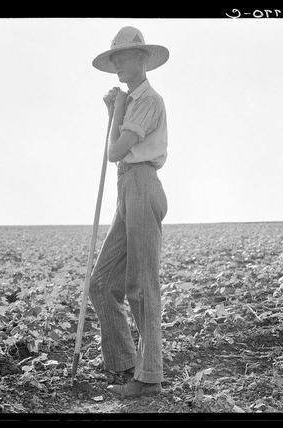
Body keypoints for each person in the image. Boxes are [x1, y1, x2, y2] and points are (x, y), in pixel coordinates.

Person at [88, 26, 169, 397]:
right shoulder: (132, 102)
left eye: (124, 57)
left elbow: (115, 152)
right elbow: (118, 152)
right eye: (114, 58)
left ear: (141, 59)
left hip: (141, 184)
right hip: (127, 186)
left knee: (141, 285)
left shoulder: (149, 100)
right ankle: (125, 366)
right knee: (102, 284)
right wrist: (115, 110)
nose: (118, 64)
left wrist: (117, 109)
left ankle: (149, 377)